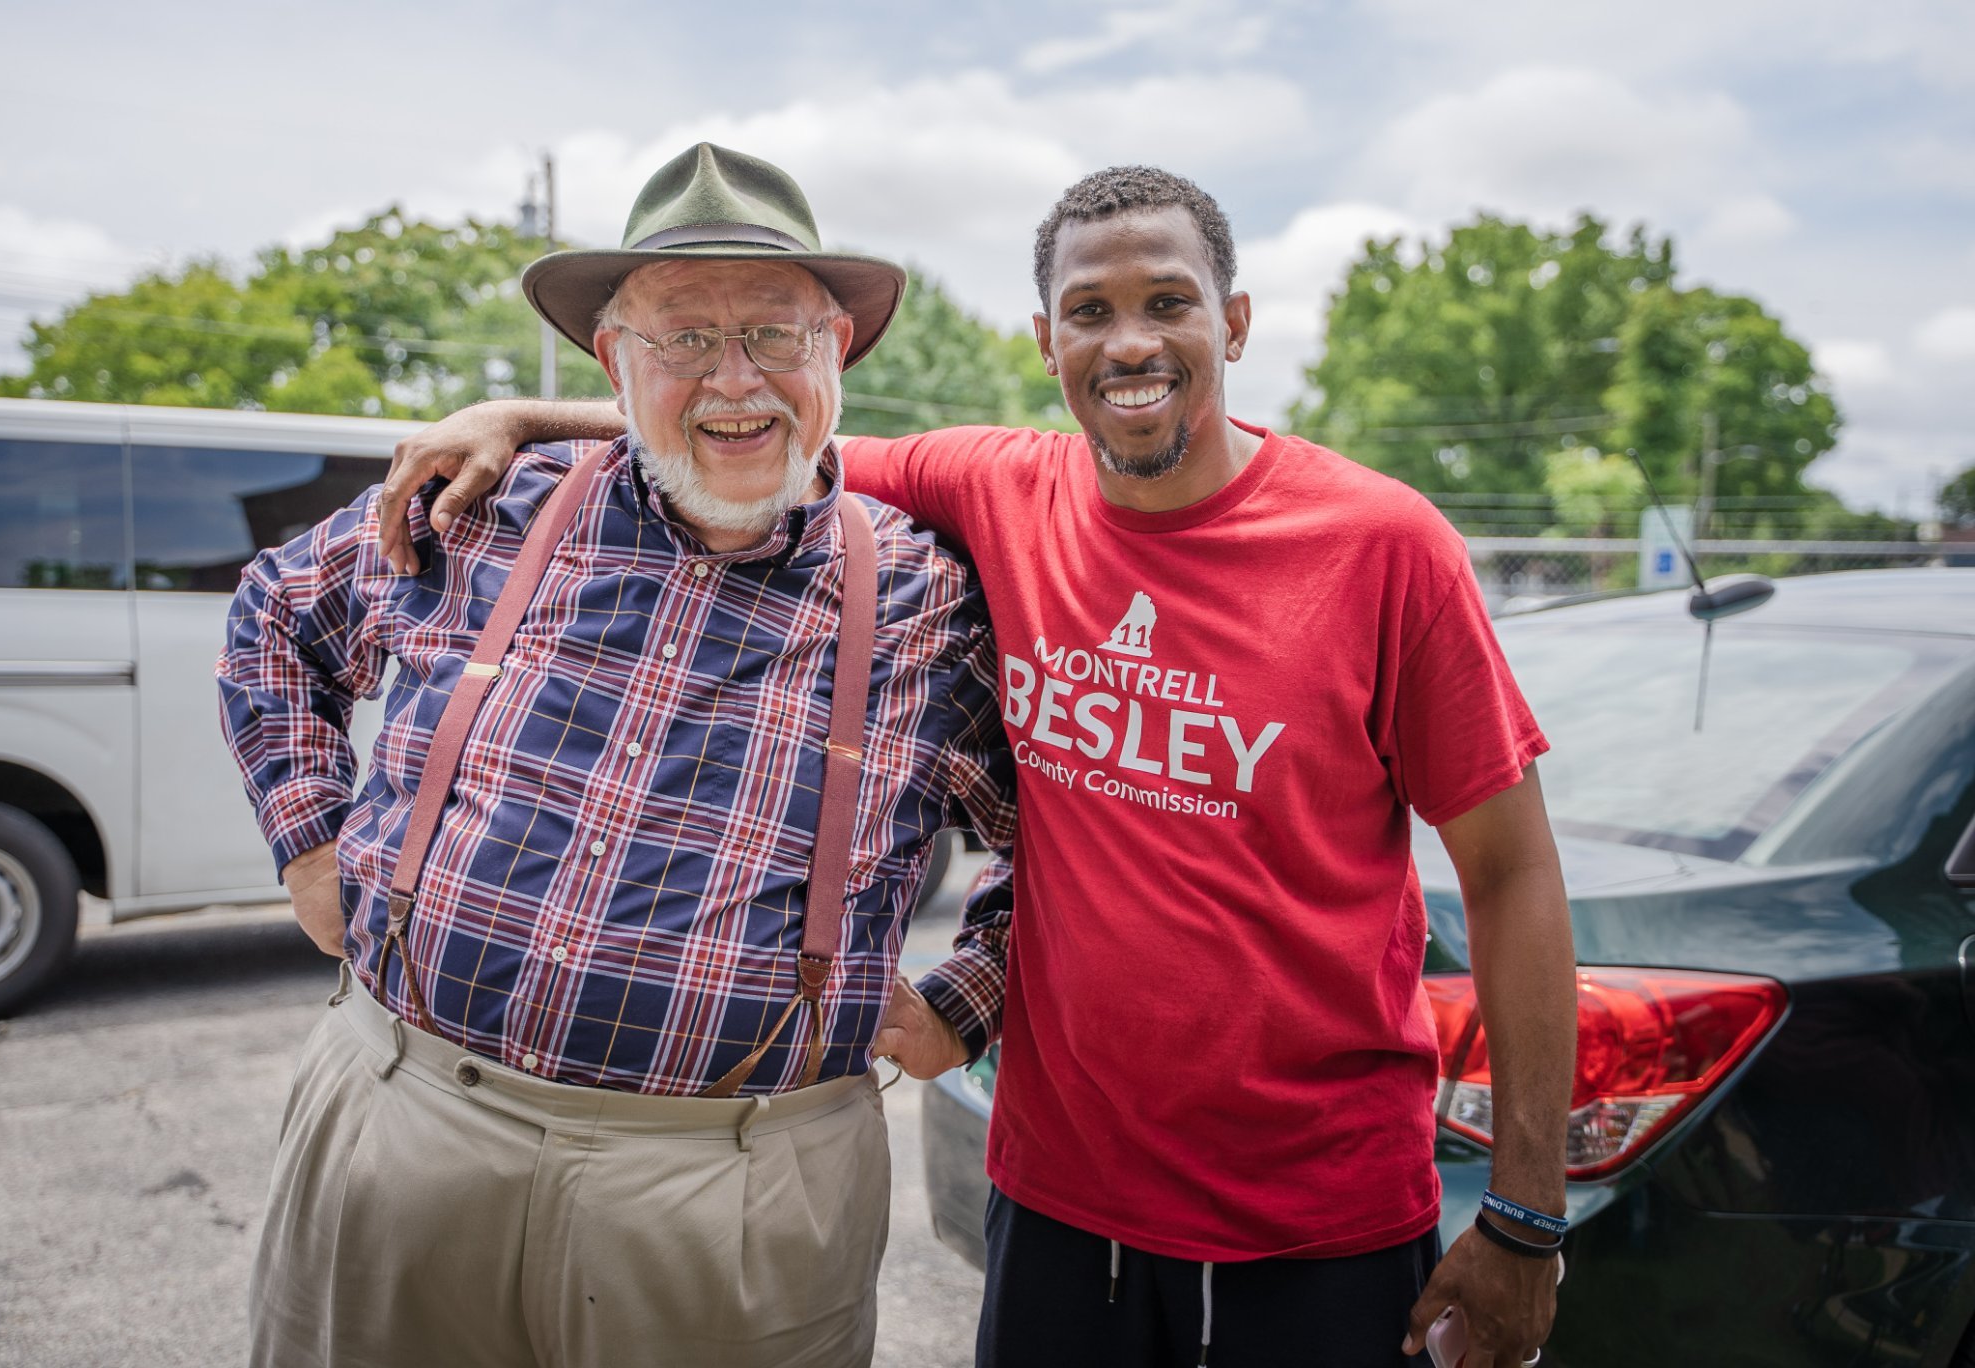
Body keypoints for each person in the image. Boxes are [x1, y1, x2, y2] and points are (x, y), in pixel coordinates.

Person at [383, 165, 1579, 1368]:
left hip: (1312, 1224)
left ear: (1232, 321)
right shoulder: (997, 488)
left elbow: (1512, 876)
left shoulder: (1381, 547)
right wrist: (525, 418)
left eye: (1167, 302)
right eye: (1088, 311)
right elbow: (762, 420)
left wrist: (1526, 1220)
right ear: (1043, 340)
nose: (1129, 343)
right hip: (1058, 1202)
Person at [216, 142, 1014, 1368]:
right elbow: (275, 614)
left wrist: (968, 998)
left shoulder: (925, 595)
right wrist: (310, 842)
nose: (731, 377)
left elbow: (1083, 836)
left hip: (739, 1195)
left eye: (773, 335)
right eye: (682, 336)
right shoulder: (481, 503)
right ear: (612, 361)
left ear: (836, 351)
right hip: (404, 1120)